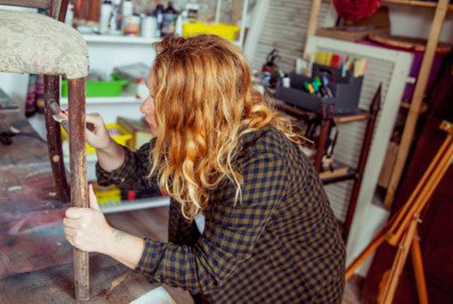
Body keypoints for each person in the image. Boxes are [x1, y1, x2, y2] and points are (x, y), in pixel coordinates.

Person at [62, 34, 345, 303]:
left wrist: (108, 239)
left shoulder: (262, 160)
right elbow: (137, 168)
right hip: (229, 279)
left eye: (159, 98)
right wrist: (104, 144)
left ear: (195, 107)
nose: (145, 108)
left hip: (286, 290)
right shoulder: (196, 134)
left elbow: (205, 270)